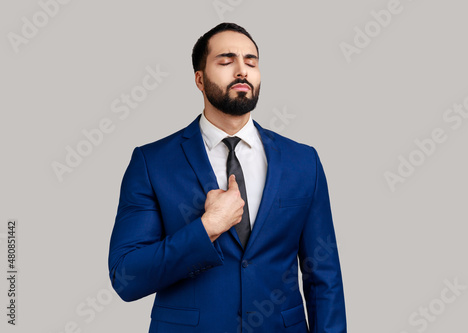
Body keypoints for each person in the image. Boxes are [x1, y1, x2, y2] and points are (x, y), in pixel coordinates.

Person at [108, 22, 347, 333]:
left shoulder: (303, 161)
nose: (241, 70)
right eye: (226, 61)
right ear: (199, 79)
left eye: (251, 61)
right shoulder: (152, 162)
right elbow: (127, 276)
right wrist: (207, 228)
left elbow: (324, 277)